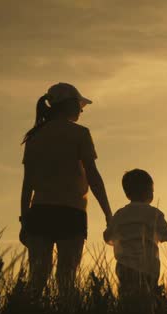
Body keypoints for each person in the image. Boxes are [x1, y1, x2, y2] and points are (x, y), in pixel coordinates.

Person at [20, 82, 113, 296]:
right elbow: (93, 176)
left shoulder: (34, 136)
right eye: (79, 105)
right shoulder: (80, 134)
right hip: (71, 212)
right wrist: (108, 213)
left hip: (40, 212)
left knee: (37, 276)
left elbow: (28, 185)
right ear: (69, 105)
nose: (81, 110)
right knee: (67, 278)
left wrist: (24, 220)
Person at [104, 169, 167, 299]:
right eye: (152, 190)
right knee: (148, 299)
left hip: (124, 267)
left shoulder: (119, 214)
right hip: (148, 267)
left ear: (127, 194)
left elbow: (108, 237)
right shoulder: (154, 213)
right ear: (148, 191)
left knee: (127, 299)